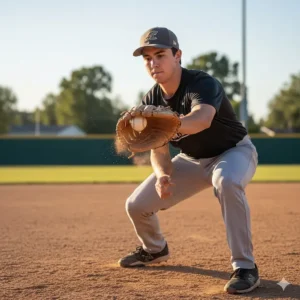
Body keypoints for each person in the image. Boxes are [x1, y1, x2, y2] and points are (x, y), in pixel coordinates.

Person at [118, 27, 260, 295]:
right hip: (192, 160)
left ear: (178, 55)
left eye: (160, 54)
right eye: (147, 58)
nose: (153, 62)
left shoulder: (202, 83)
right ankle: (154, 249)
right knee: (136, 205)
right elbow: (158, 150)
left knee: (226, 181)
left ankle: (245, 267)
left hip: (233, 152)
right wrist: (162, 175)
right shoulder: (151, 99)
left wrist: (166, 123)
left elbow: (201, 119)